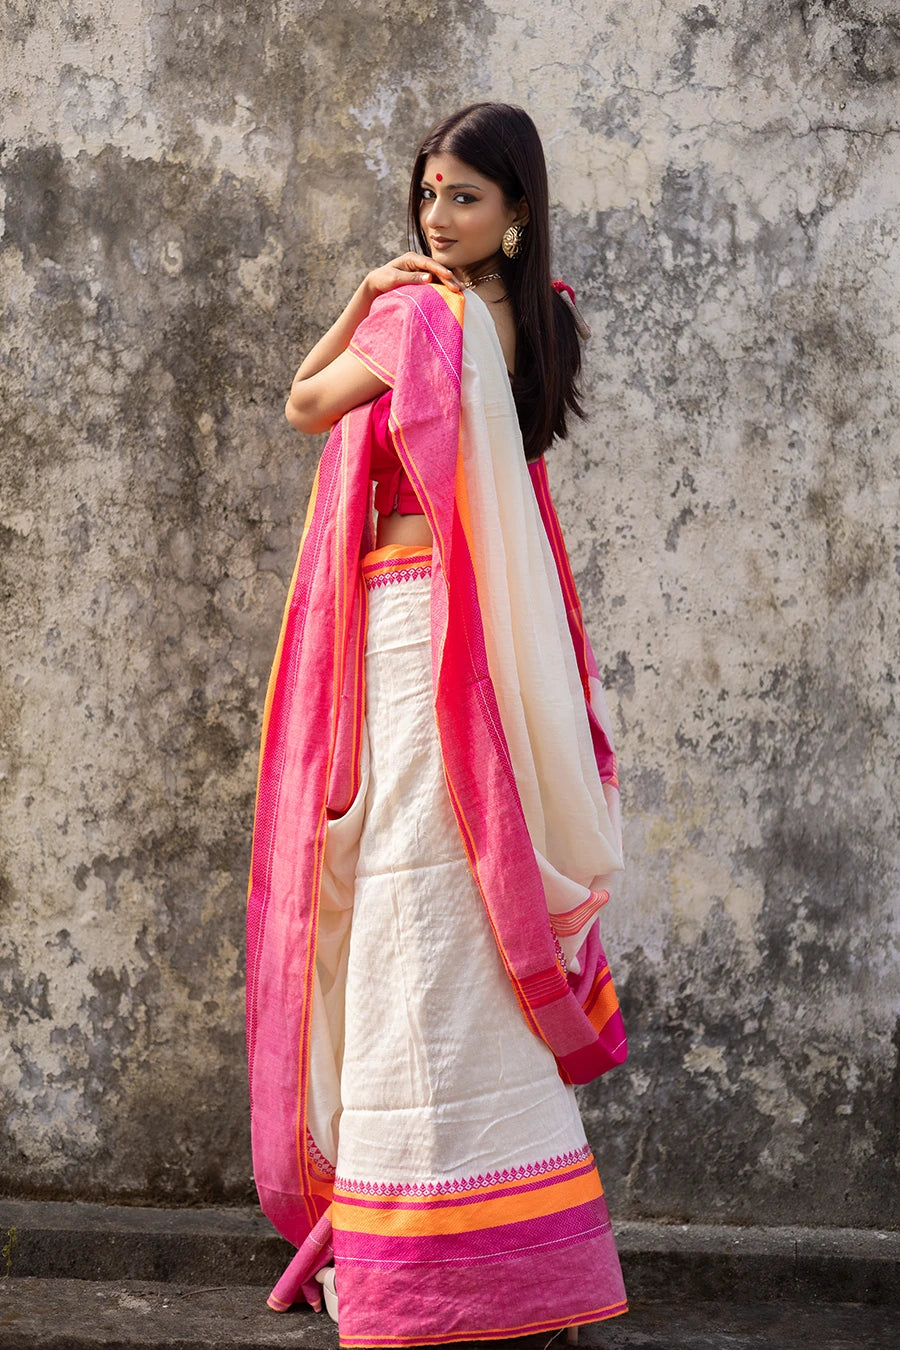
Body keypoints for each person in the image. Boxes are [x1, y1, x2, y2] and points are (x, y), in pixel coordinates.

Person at [246, 102, 628, 1347]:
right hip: (510, 651)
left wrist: (363, 295)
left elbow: (307, 403)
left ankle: (414, 1263)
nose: (435, 220)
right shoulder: (547, 319)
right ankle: (522, 1264)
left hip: (422, 635)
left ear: (516, 212)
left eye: (463, 198)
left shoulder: (421, 315)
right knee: (473, 898)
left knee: (419, 905)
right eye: (426, 196)